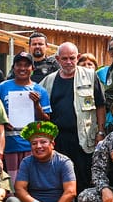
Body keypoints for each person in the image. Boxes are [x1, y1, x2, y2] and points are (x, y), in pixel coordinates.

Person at [8, 121, 79, 202]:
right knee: (12, 201)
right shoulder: (27, 162)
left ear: (52, 144)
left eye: (43, 142)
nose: (38, 146)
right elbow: (19, 188)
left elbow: (70, 192)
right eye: (34, 143)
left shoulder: (64, 162)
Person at [39, 41, 101, 183]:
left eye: (72, 58)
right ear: (57, 59)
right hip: (58, 139)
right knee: (59, 177)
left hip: (83, 138)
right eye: (64, 58)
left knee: (83, 177)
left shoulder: (90, 76)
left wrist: (101, 131)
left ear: (78, 57)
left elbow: (101, 105)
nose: (68, 62)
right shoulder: (48, 80)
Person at [0, 52, 50, 176]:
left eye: (26, 65)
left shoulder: (40, 90)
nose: (22, 68)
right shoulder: (2, 88)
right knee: (13, 182)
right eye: (19, 65)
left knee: (32, 181)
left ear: (33, 68)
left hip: (32, 145)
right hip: (10, 144)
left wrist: (36, 105)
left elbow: (47, 120)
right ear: (13, 67)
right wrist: (4, 121)